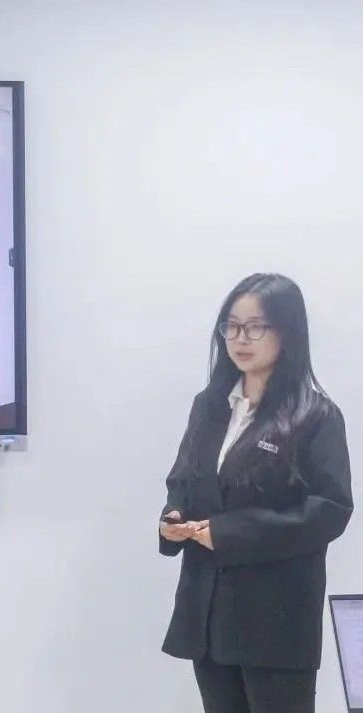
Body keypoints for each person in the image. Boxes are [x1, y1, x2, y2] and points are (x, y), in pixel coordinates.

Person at [159, 273, 352, 713]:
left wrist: (227, 533)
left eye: (255, 326)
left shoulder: (315, 416)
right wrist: (173, 517)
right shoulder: (209, 406)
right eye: (231, 326)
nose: (240, 338)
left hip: (276, 619)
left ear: (288, 331)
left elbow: (330, 510)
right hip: (209, 611)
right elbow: (183, 481)